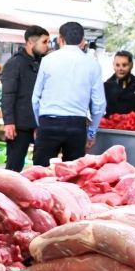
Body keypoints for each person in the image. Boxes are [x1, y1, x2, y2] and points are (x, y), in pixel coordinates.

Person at [31, 21, 106, 166]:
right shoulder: (93, 65)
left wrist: (39, 123)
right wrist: (92, 132)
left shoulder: (47, 61)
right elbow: (99, 104)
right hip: (76, 126)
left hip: (49, 122)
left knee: (41, 174)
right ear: (83, 40)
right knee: (72, 176)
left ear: (60, 39)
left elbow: (36, 98)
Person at [0, 25, 49, 172]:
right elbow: (8, 94)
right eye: (44, 42)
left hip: (38, 124)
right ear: (31, 43)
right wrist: (9, 122)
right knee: (14, 167)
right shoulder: (14, 63)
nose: (47, 46)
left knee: (40, 169)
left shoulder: (42, 63)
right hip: (19, 125)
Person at [103, 51, 135, 115]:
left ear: (131, 65)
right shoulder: (106, 86)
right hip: (112, 123)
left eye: (124, 65)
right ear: (113, 65)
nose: (120, 68)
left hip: (132, 123)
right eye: (117, 65)